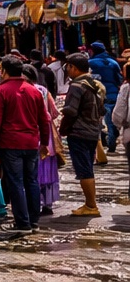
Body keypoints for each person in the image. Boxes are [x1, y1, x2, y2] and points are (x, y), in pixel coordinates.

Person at [0, 56, 48, 231]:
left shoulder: (1, 91)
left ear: (4, 71)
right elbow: (44, 120)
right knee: (32, 181)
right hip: (31, 143)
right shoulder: (34, 91)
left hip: (10, 143)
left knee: (16, 182)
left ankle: (22, 222)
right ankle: (33, 220)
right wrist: (44, 142)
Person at [61, 52, 106, 217]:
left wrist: (63, 127)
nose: (67, 70)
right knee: (88, 168)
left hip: (79, 132)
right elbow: (102, 109)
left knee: (84, 169)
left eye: (68, 67)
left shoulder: (77, 86)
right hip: (93, 131)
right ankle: (90, 203)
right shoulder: (95, 84)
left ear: (73, 67)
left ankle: (91, 205)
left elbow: (70, 111)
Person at [22, 64, 63, 215]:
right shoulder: (43, 90)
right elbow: (54, 113)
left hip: (31, 134)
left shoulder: (24, 90)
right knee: (48, 170)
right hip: (46, 136)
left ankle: (32, 203)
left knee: (32, 171)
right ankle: (48, 204)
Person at [89, 42, 122, 152]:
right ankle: (112, 136)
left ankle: (109, 142)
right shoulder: (113, 63)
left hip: (100, 95)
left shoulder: (91, 63)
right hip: (114, 94)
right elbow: (119, 79)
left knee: (102, 120)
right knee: (111, 119)